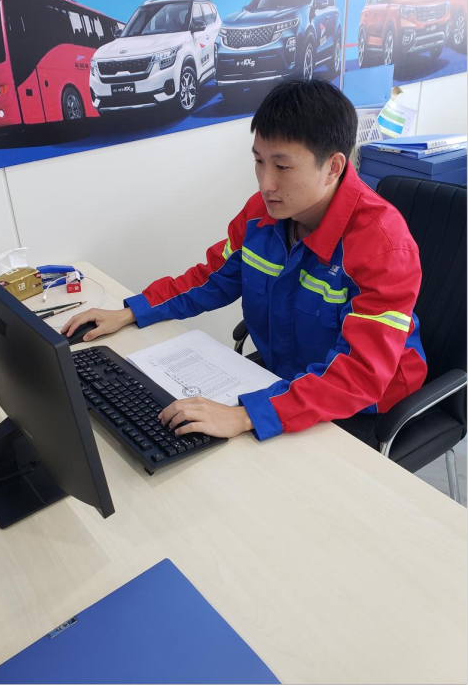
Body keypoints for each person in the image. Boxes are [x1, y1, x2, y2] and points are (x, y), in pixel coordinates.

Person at [63, 80, 427, 449]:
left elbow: (361, 375)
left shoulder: (383, 247)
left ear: (333, 167)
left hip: (365, 409)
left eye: (282, 166)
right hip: (285, 379)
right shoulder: (261, 215)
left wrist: (246, 415)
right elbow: (210, 279)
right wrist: (131, 311)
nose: (266, 183)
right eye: (259, 161)